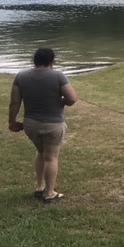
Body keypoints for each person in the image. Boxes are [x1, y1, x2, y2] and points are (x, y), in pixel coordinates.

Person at [8, 48, 78, 204]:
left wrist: (12, 121)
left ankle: (40, 187)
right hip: (53, 125)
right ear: (52, 61)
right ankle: (50, 193)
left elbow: (14, 102)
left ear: (34, 60)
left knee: (41, 151)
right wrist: (62, 102)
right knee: (51, 157)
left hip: (31, 124)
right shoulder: (58, 76)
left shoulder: (21, 76)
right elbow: (72, 99)